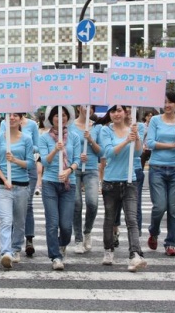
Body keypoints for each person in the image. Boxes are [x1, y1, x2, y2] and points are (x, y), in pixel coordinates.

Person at [97, 105, 147, 272]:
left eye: (119, 110)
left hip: (130, 180)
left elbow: (138, 153)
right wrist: (127, 140)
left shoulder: (134, 128)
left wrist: (136, 137)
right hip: (111, 181)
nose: (116, 114)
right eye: (113, 111)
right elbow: (109, 153)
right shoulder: (106, 131)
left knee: (132, 219)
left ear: (126, 112)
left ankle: (135, 254)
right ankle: (108, 249)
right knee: (110, 219)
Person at [39, 106, 81, 270]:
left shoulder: (74, 137)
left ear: (67, 117)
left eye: (63, 115)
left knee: (65, 225)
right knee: (52, 223)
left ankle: (62, 243)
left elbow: (77, 160)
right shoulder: (44, 138)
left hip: (68, 183)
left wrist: (69, 170)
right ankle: (55, 256)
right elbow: (44, 162)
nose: (59, 118)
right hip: (49, 182)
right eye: (56, 115)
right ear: (51, 118)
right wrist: (55, 150)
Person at [0, 112, 35, 269]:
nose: (12, 118)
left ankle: (16, 248)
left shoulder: (27, 139)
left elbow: (30, 163)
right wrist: (4, 179)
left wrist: (15, 160)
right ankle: (5, 252)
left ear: (20, 119)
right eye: (9, 115)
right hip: (3, 186)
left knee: (19, 221)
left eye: (16, 115)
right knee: (6, 220)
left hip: (22, 186)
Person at [145, 91, 175, 256]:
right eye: (164, 102)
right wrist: (172, 145)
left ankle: (170, 243)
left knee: (174, 209)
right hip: (157, 168)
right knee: (160, 206)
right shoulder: (155, 120)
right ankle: (153, 232)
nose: (167, 105)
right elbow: (150, 143)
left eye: (170, 102)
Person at [0, 112, 39, 256]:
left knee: (27, 204)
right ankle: (10, 241)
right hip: (9, 167)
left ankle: (29, 238)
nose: (12, 117)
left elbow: (37, 147)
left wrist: (24, 145)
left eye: (16, 114)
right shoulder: (4, 122)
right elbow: (1, 142)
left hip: (27, 166)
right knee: (10, 205)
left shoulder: (32, 124)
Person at [70, 105, 102, 254]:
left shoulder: (97, 127)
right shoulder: (70, 126)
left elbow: (101, 152)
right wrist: (77, 156)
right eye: (84, 105)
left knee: (92, 202)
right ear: (78, 108)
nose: (87, 109)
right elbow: (68, 147)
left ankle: (87, 231)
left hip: (91, 169)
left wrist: (90, 140)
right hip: (74, 168)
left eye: (91, 106)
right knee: (76, 203)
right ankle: (78, 239)